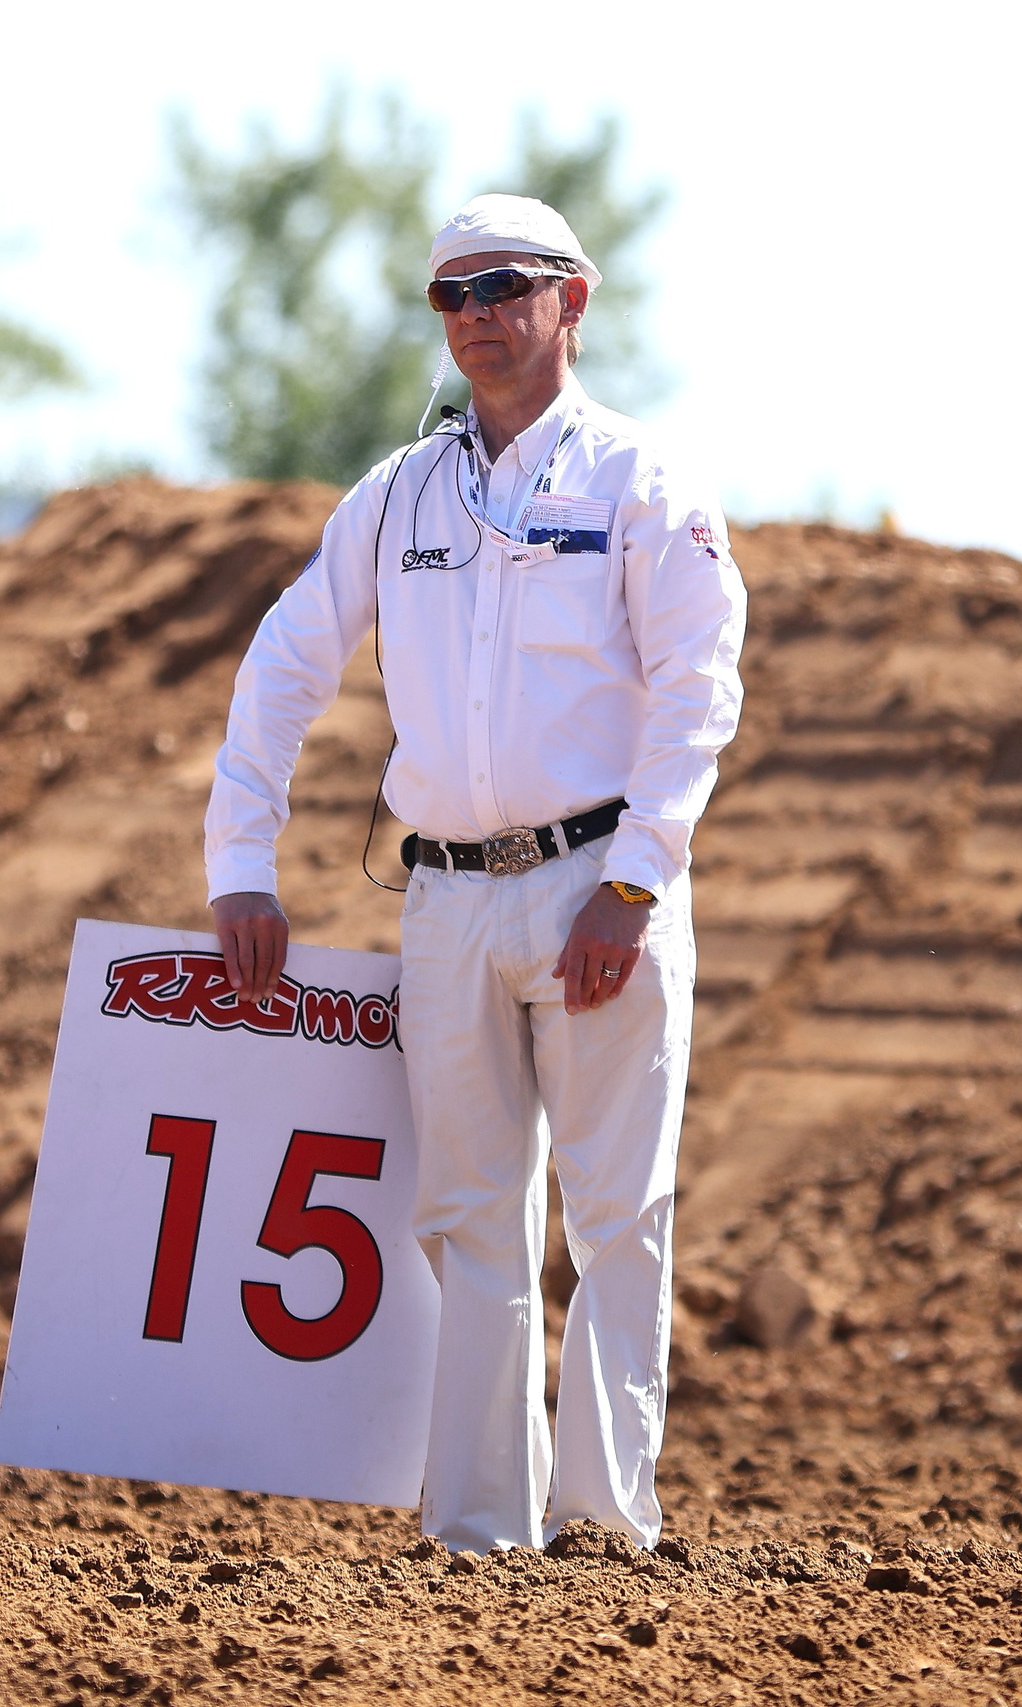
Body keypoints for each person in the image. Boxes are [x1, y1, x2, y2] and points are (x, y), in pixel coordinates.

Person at [205, 195, 748, 1553]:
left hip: (595, 887)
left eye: (508, 285)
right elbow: (285, 665)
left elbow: (698, 691)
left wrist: (636, 880)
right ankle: (478, 1534)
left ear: (576, 297)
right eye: (454, 293)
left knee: (617, 1210)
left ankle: (610, 1523)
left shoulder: (644, 484)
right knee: (466, 1219)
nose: (481, 313)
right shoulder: (398, 495)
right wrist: (239, 862)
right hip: (445, 894)